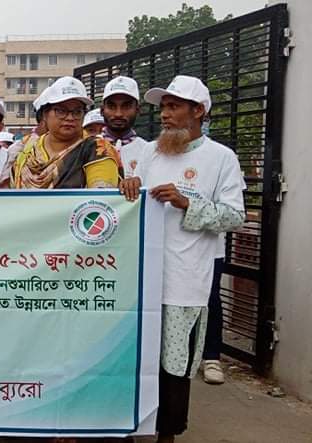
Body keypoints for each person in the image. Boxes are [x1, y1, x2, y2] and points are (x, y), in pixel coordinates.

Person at [120, 75, 245, 443]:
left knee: (174, 362)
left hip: (185, 280)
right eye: (163, 107)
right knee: (136, 358)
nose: (165, 114)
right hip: (142, 277)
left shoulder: (221, 158)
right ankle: (129, 425)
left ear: (198, 111)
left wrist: (187, 202)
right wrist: (128, 186)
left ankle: (168, 433)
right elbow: (131, 197)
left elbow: (234, 216)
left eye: (174, 107)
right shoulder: (150, 152)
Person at [12, 77, 120, 189]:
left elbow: (101, 194)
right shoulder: (27, 149)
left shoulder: (97, 149)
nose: (70, 117)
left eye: (77, 112)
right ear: (45, 114)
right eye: (61, 111)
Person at [101, 76, 148, 178]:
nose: (118, 114)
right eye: (112, 106)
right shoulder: (88, 147)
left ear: (138, 110)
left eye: (126, 106)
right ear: (102, 110)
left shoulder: (148, 151)